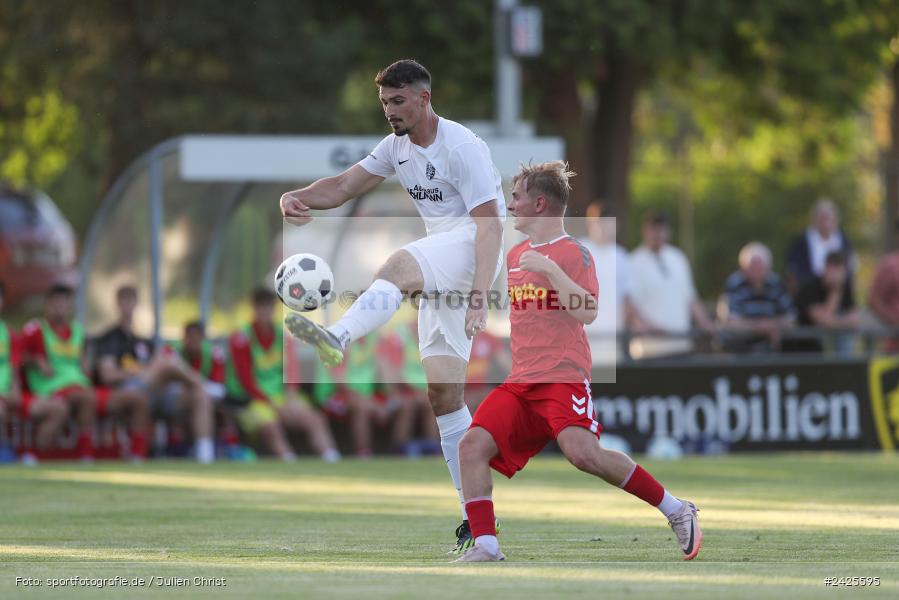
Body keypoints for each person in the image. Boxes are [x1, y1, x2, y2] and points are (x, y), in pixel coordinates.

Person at [279, 59, 505, 552]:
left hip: (472, 247)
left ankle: (337, 335)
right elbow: (342, 187)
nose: (390, 111)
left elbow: (490, 226)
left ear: (424, 99)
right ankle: (481, 528)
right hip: (444, 255)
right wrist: (295, 197)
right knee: (444, 397)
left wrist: (479, 295)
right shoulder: (395, 148)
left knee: (397, 267)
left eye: (398, 101)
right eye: (384, 103)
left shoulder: (462, 146)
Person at [455, 161, 702, 562]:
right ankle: (486, 544)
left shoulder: (574, 253)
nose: (510, 204)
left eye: (516, 197)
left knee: (584, 454)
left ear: (539, 204)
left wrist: (551, 270)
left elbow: (587, 311)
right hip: (521, 381)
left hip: (562, 378)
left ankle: (676, 509)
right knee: (471, 446)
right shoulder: (517, 254)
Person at [94, 286, 212, 463]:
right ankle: (200, 381)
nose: (128, 305)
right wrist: (139, 371)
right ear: (117, 304)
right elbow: (108, 376)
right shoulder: (109, 339)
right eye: (123, 300)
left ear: (136, 303)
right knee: (165, 362)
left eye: (131, 300)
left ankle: (205, 455)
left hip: (155, 392)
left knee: (199, 394)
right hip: (128, 389)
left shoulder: (143, 341)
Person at [227, 288, 340, 462]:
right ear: (254, 308)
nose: (265, 312)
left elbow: (292, 372)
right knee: (271, 426)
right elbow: (245, 380)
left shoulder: (283, 336)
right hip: (254, 401)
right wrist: (274, 405)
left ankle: (332, 459)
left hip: (281, 397)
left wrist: (291, 398)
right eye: (261, 307)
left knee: (314, 419)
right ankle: (289, 462)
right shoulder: (241, 337)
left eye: (269, 307)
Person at [21, 284, 101, 461]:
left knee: (89, 397)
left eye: (64, 302)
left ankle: (84, 455)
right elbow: (18, 357)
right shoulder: (35, 330)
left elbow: (83, 363)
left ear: (70, 305)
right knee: (84, 399)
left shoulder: (78, 332)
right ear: (47, 305)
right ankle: (84, 454)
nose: (60, 307)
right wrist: (35, 360)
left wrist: (86, 366)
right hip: (49, 387)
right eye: (55, 303)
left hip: (77, 386)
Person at [628, 212, 715, 358]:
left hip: (681, 345)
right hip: (649, 350)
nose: (659, 234)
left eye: (662, 229)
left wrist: (705, 323)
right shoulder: (633, 262)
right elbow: (629, 305)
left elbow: (690, 297)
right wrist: (649, 327)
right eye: (654, 229)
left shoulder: (678, 258)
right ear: (645, 231)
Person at [579, 203, 650, 362]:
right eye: (600, 222)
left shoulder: (621, 256)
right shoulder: (577, 250)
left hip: (613, 343)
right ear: (590, 224)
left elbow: (626, 297)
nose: (605, 227)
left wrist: (639, 324)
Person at [721, 242, 795, 352]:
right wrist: (759, 326)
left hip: (772, 349)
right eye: (752, 268)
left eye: (760, 268)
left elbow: (791, 318)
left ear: (768, 267)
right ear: (743, 268)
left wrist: (772, 325)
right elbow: (731, 322)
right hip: (739, 349)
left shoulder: (775, 283)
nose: (756, 273)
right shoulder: (734, 284)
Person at [791, 251, 858, 353]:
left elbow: (854, 320)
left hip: (831, 340)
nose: (839, 275)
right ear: (827, 267)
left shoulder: (844, 286)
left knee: (845, 338)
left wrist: (834, 323)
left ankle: (845, 368)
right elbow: (823, 322)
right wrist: (835, 290)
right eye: (835, 269)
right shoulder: (810, 286)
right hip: (804, 343)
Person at [786, 198, 855, 292]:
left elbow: (850, 268)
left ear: (836, 220)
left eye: (828, 218)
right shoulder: (801, 242)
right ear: (814, 219)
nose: (825, 222)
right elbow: (794, 270)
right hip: (809, 292)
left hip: (838, 291)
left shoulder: (844, 241)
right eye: (822, 218)